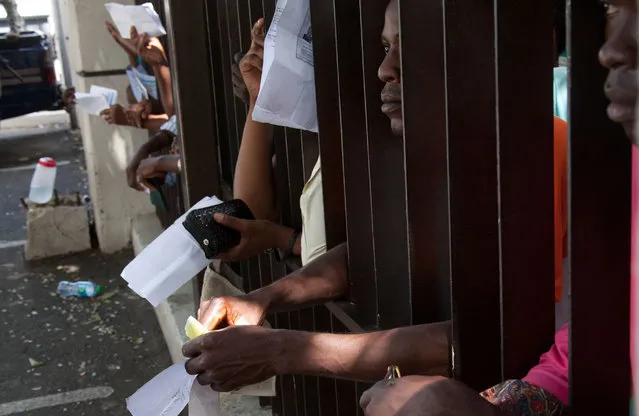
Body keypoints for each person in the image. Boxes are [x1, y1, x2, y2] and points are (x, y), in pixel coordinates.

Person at [182, 0, 568, 399]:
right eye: (386, 48)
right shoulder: (434, 148)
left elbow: (493, 334)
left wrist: (281, 349)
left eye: (413, 44)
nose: (386, 70)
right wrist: (262, 298)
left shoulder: (535, 148)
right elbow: (382, 257)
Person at [359, 0, 637, 414]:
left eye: (409, 42)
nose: (610, 49)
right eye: (613, 7)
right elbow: (591, 340)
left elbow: (497, 323)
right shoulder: (632, 161)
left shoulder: (540, 150)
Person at [209, 18, 326, 266]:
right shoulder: (297, 140)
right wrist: (259, 103)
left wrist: (282, 237)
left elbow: (332, 260)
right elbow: (251, 212)